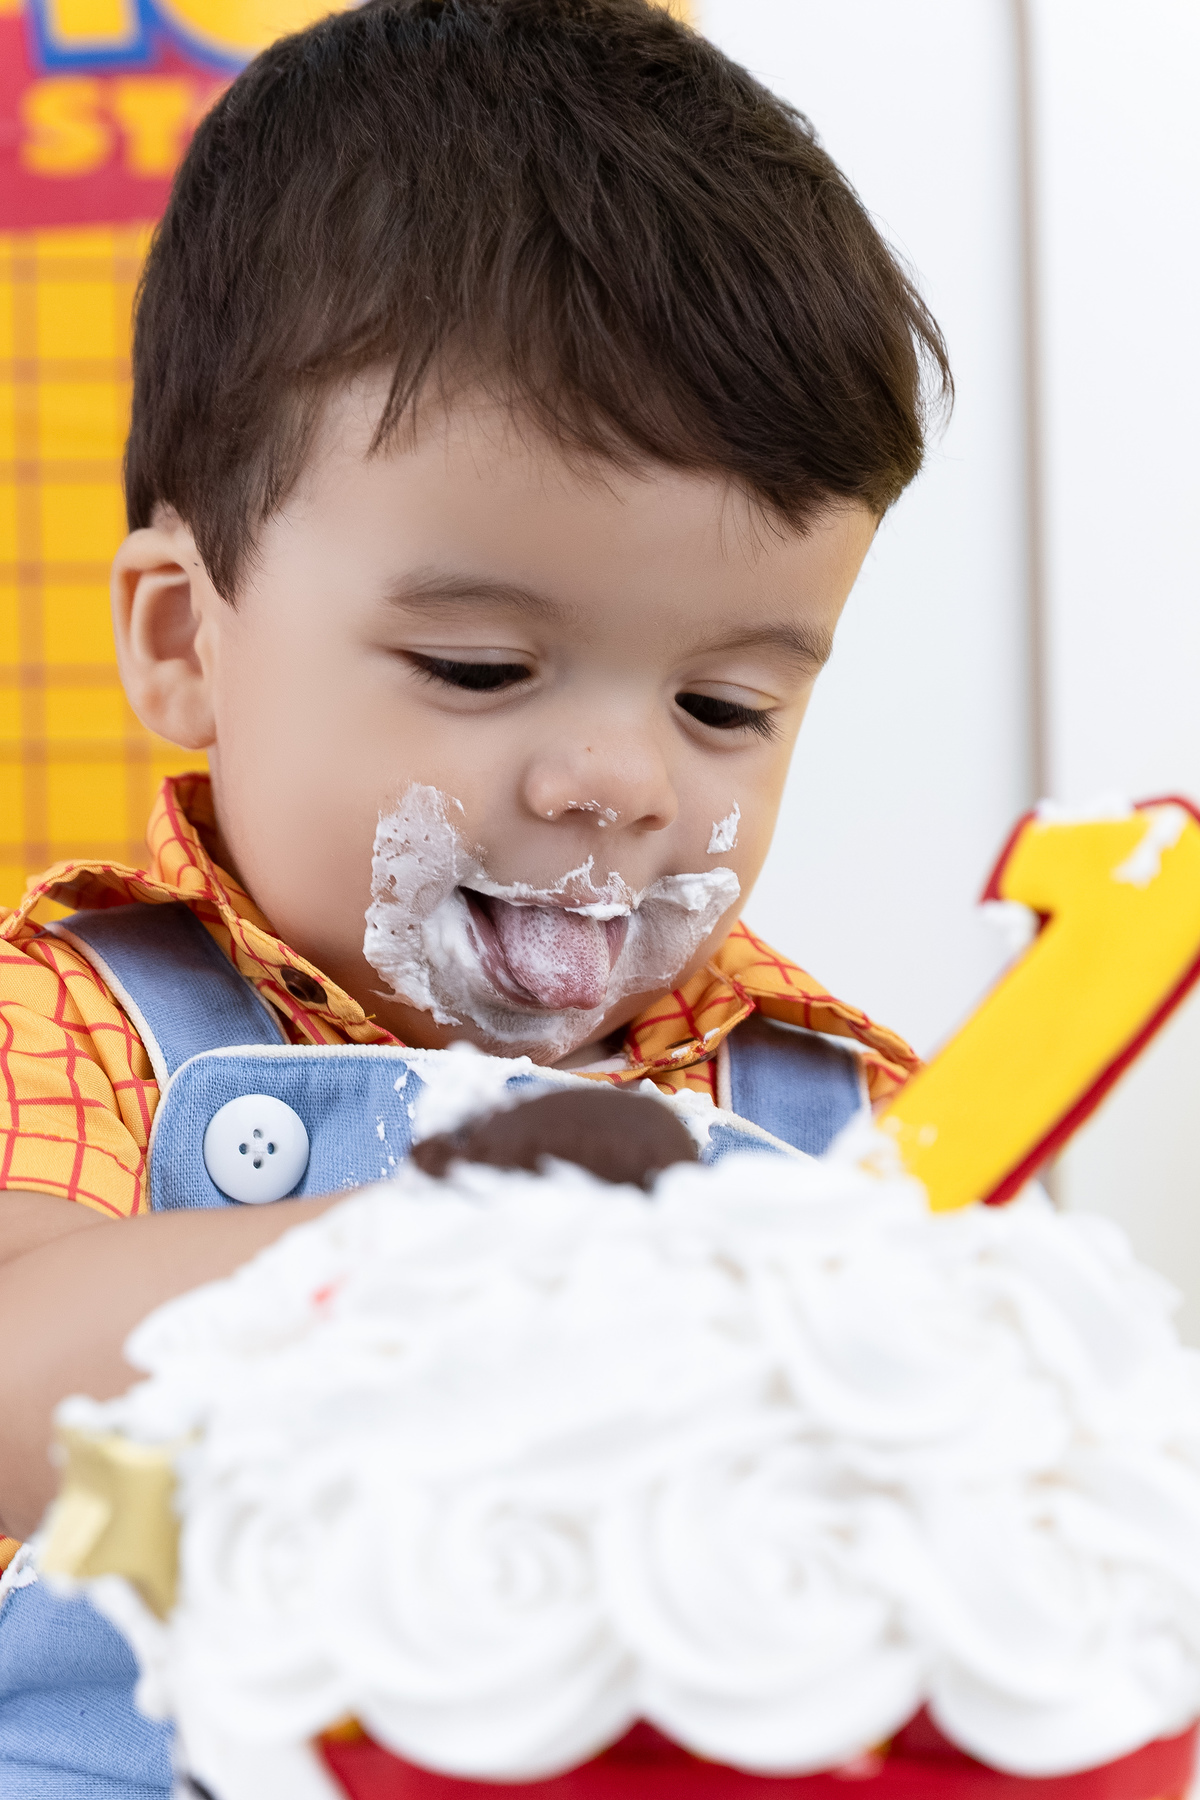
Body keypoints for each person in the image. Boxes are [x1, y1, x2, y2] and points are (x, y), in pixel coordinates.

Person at [0, 0, 949, 1789]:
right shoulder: (68, 1018)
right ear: (186, 641)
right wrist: (472, 1253)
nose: (620, 780)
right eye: (481, 666)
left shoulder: (843, 1122)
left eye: (725, 705)